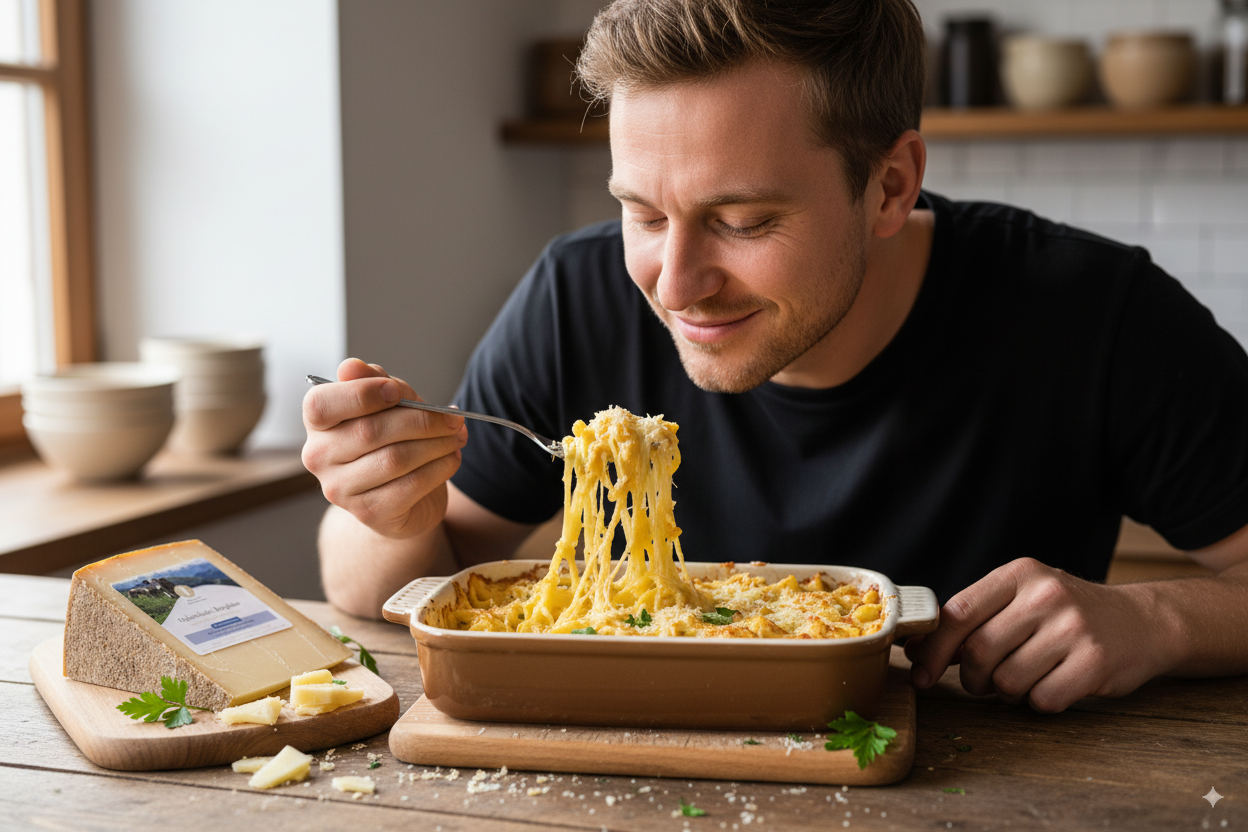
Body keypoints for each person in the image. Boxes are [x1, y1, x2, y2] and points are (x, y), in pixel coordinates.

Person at [302, 0, 1248, 713]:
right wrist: (385, 506)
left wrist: (1156, 621)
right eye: (641, 212)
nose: (673, 283)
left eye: (743, 220)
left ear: (889, 185)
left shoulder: (1093, 312)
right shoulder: (577, 294)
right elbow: (393, 581)